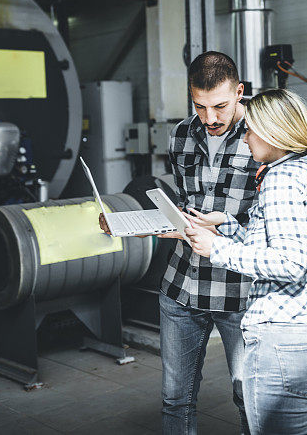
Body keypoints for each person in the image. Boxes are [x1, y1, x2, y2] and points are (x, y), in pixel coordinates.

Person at [100, 51, 259, 434]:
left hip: (240, 290)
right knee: (176, 397)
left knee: (249, 396)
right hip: (181, 288)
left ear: (239, 91)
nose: (210, 119)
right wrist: (142, 223)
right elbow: (186, 203)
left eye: (220, 106)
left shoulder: (265, 131)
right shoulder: (182, 135)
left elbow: (276, 217)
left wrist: (224, 228)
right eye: (199, 106)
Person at [184, 88, 307, 435]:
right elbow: (282, 244)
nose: (244, 139)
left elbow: (291, 263)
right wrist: (225, 224)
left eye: (249, 129)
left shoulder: (281, 178)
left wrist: (216, 249)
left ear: (273, 131)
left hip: (287, 347)